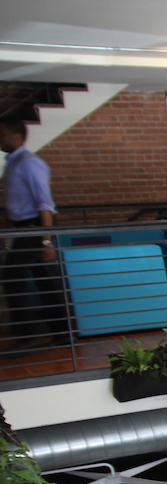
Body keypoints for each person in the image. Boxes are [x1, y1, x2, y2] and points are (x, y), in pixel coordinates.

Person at [0, 119, 69, 352]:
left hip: (36, 226)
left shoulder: (30, 163)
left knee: (12, 277)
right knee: (46, 280)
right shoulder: (13, 163)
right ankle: (63, 334)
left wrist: (46, 241)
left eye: (2, 134)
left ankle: (31, 334)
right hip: (25, 227)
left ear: (17, 136)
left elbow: (44, 203)